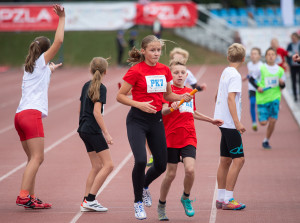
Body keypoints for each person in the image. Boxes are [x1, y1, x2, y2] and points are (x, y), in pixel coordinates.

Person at [116, 35, 192, 220]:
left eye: (158, 50)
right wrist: (138, 104)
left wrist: (184, 96)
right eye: (152, 50)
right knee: (141, 160)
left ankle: (144, 187)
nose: (156, 53)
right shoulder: (136, 71)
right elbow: (120, 96)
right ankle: (138, 203)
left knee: (160, 165)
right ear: (143, 51)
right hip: (137, 120)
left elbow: (167, 95)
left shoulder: (165, 70)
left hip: (156, 120)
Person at [157, 58, 223, 221]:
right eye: (176, 73)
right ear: (170, 75)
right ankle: (161, 205)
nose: (180, 75)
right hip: (171, 137)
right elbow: (163, 111)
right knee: (170, 174)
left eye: (182, 73)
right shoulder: (167, 91)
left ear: (187, 75)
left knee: (190, 169)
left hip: (188, 136)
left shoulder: (189, 92)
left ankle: (186, 197)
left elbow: (192, 112)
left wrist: (211, 120)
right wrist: (172, 106)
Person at [14, 4, 65, 209]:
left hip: (19, 116)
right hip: (31, 115)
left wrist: (50, 70)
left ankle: (31, 198)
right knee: (38, 157)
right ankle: (23, 195)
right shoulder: (42, 61)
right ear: (45, 51)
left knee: (32, 160)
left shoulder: (30, 65)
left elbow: (39, 77)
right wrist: (62, 18)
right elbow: (60, 40)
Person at [78, 57, 114, 212]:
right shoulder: (101, 87)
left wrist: (81, 126)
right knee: (109, 165)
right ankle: (91, 200)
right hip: (92, 130)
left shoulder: (86, 85)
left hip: (83, 129)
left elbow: (81, 109)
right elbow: (96, 113)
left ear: (90, 69)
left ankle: (86, 199)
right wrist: (107, 133)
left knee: (96, 165)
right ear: (105, 71)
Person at [214, 43, 246, 211]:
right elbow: (230, 98)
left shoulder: (226, 71)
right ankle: (228, 199)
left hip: (222, 120)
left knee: (225, 160)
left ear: (228, 58)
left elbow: (219, 94)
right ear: (243, 59)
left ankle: (220, 198)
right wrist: (237, 122)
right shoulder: (235, 75)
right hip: (229, 123)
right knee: (239, 160)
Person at [249, 48, 286, 149]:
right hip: (262, 99)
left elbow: (283, 86)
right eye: (268, 54)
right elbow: (251, 79)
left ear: (276, 57)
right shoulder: (261, 68)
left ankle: (266, 140)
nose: (270, 56)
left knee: (273, 120)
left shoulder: (280, 70)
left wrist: (282, 83)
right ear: (265, 57)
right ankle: (262, 116)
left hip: (275, 98)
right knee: (263, 123)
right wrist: (258, 87)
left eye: (272, 54)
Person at [243, 47, 263, 131]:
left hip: (259, 88)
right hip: (251, 88)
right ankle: (254, 122)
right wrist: (246, 77)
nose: (253, 55)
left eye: (255, 54)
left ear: (259, 56)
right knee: (252, 103)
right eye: (252, 54)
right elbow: (250, 74)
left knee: (259, 105)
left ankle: (261, 116)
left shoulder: (262, 66)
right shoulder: (249, 64)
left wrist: (260, 86)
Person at [287, 33, 300, 102]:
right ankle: (295, 96)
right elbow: (287, 54)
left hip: (299, 65)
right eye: (292, 38)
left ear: (297, 38)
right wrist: (289, 62)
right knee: (293, 81)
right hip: (293, 66)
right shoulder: (290, 45)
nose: (293, 40)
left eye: (294, 38)